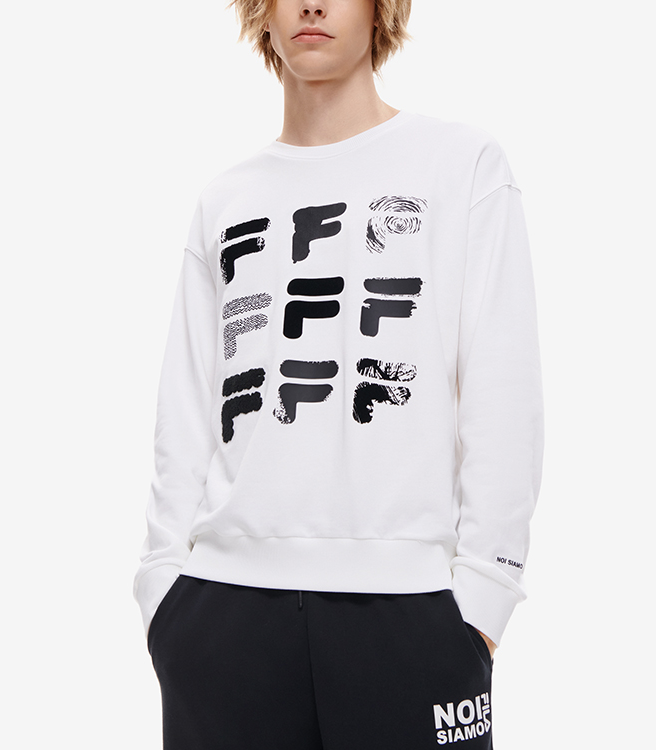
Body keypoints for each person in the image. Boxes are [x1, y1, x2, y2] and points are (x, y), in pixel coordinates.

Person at [134, 1, 544, 748]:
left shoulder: (462, 165)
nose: (312, 5)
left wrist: (485, 599)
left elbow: (502, 388)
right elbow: (186, 406)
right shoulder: (226, 198)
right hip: (222, 614)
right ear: (260, 12)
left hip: (410, 610)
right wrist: (163, 590)